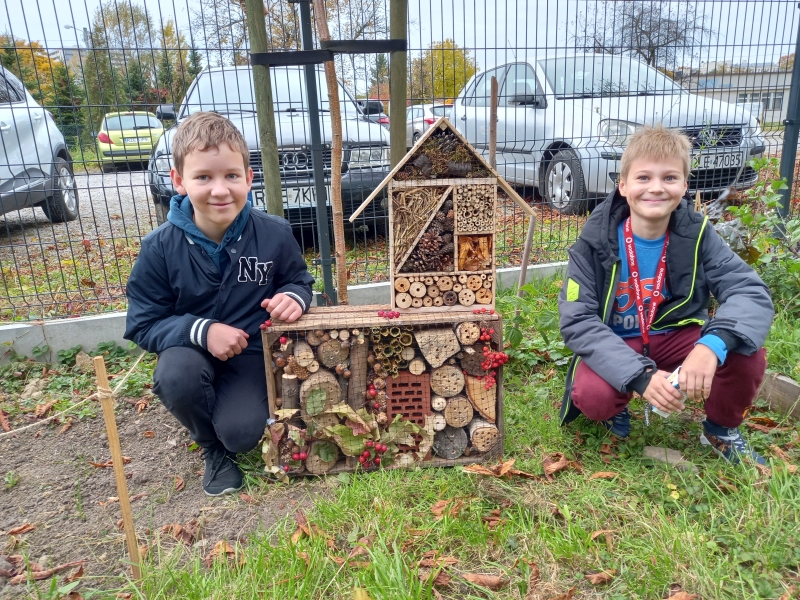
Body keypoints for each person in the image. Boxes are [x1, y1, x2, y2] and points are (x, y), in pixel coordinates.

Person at [558, 125, 773, 464]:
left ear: (685, 186)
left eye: (670, 177)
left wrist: (712, 345)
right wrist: (639, 376)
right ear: (623, 185)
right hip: (618, 342)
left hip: (678, 337)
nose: (656, 187)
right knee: (594, 396)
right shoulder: (593, 243)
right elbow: (578, 320)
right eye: (643, 177)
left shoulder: (698, 234)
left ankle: (720, 430)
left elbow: (748, 290)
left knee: (746, 352)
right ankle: (616, 405)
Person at [124, 112, 314, 495]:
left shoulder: (274, 233)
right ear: (179, 181)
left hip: (250, 356)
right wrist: (203, 331)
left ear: (249, 177)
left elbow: (298, 280)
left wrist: (294, 297)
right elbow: (143, 323)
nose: (220, 190)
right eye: (203, 178)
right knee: (176, 376)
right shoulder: (159, 248)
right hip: (190, 354)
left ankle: (227, 429)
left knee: (241, 434)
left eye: (231, 175)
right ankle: (211, 448)